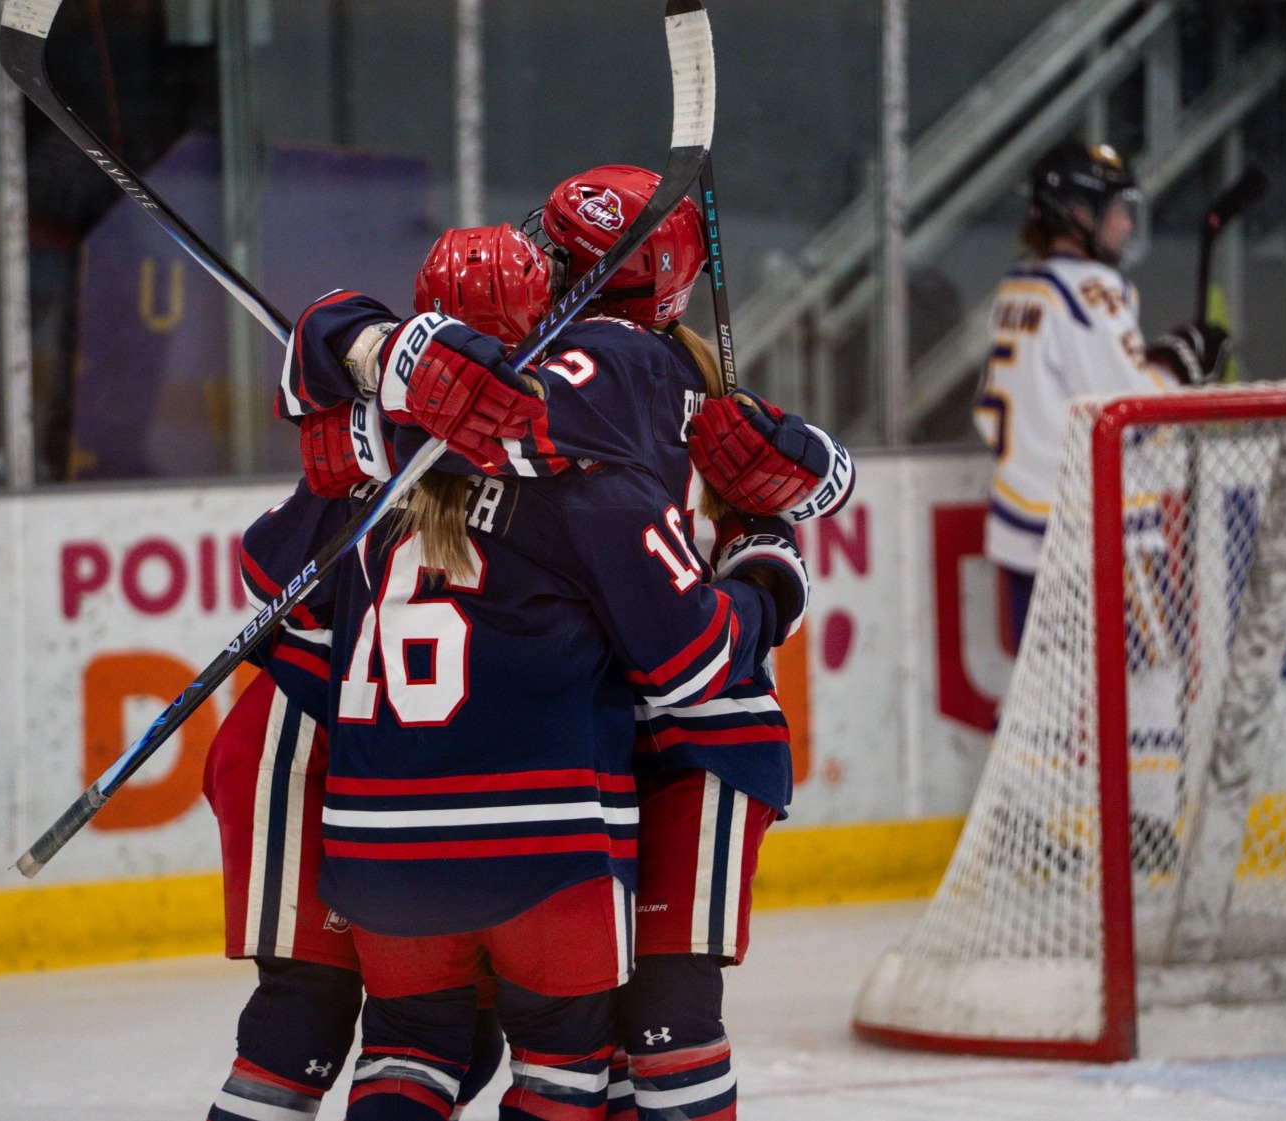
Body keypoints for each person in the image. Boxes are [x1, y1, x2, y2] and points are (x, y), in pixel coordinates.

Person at [205, 214, 830, 1120]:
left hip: (379, 830)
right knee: (609, 1053)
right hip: (555, 828)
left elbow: (273, 580)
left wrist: (362, 422)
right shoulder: (597, 472)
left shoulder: (376, 476)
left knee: (400, 1048)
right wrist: (770, 571)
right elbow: (690, 659)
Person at [973, 140, 1228, 645]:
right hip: (1097, 540)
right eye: (1117, 213)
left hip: (1021, 532)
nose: (1128, 226)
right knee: (1144, 689)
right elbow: (1133, 419)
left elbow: (1058, 393)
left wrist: (1153, 363)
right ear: (1078, 215)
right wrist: (1178, 374)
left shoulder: (1018, 288)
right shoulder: (1092, 290)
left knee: (1050, 690)